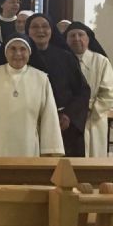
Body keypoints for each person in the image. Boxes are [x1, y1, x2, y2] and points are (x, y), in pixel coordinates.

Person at [0, 35, 65, 157]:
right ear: (5, 52)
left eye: (23, 49)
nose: (18, 53)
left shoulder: (41, 78)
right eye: (13, 49)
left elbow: (49, 115)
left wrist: (50, 148)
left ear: (29, 52)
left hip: (25, 145)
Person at [26, 13, 90, 157]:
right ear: (27, 31)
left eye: (45, 26)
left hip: (63, 124)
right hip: (29, 123)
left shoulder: (66, 57)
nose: (40, 30)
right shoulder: (21, 57)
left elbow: (82, 91)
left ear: (52, 30)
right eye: (34, 27)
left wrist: (69, 115)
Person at [65, 22, 113, 157]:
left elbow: (108, 92)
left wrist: (90, 111)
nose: (76, 38)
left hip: (93, 117)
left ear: (88, 39)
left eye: (81, 35)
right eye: (72, 35)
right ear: (66, 39)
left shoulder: (101, 61)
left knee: (93, 154)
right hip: (68, 118)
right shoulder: (62, 60)